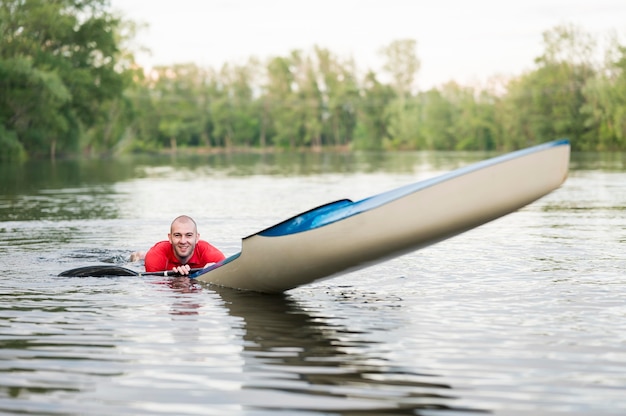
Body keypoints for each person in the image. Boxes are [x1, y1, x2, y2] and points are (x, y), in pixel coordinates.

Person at [142, 215, 226, 275]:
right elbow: (154, 291)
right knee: (141, 257)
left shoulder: (212, 256)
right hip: (149, 259)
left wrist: (213, 273)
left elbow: (228, 274)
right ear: (170, 238)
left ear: (197, 238)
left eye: (189, 235)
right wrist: (177, 280)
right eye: (177, 235)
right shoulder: (156, 255)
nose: (183, 241)